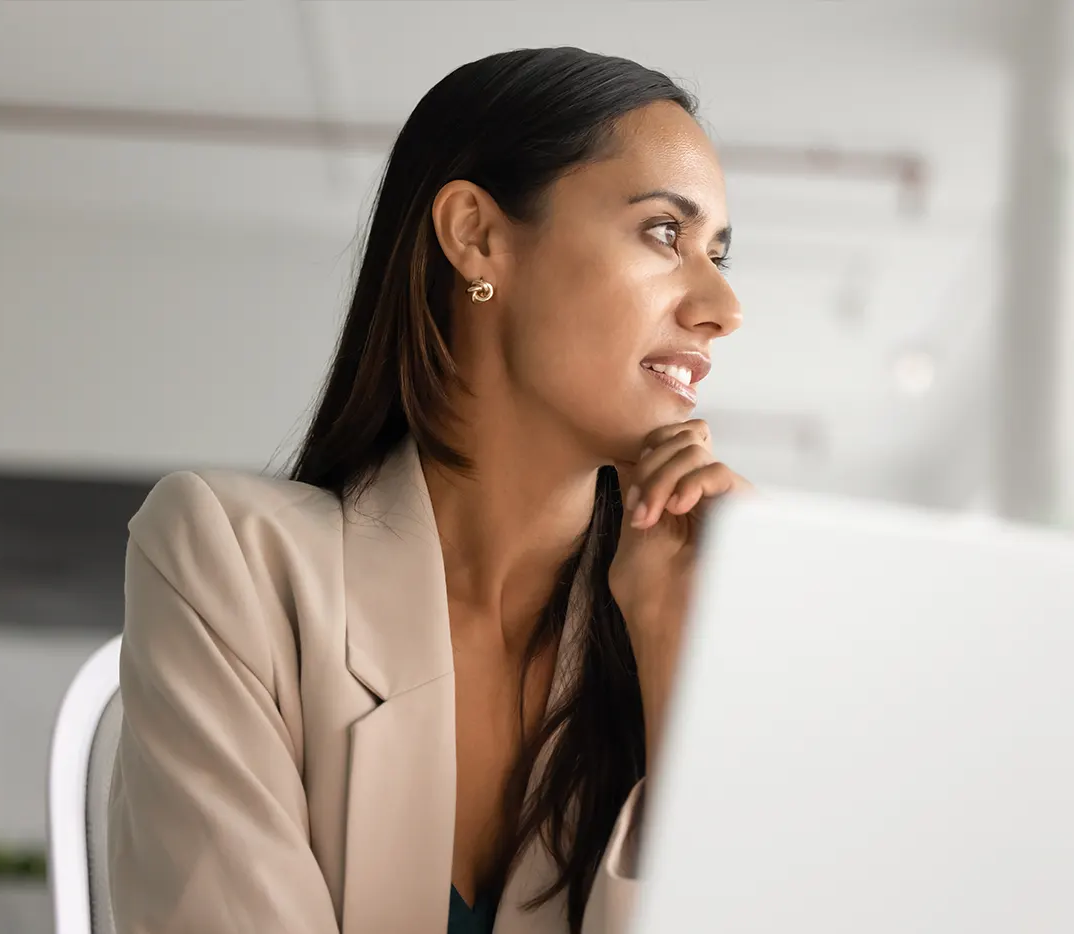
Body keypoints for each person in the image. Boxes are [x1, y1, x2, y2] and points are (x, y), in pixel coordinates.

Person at [107, 47, 746, 934]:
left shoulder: (703, 617)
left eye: (718, 252)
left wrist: (679, 648)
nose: (722, 306)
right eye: (665, 234)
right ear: (477, 236)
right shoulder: (228, 558)